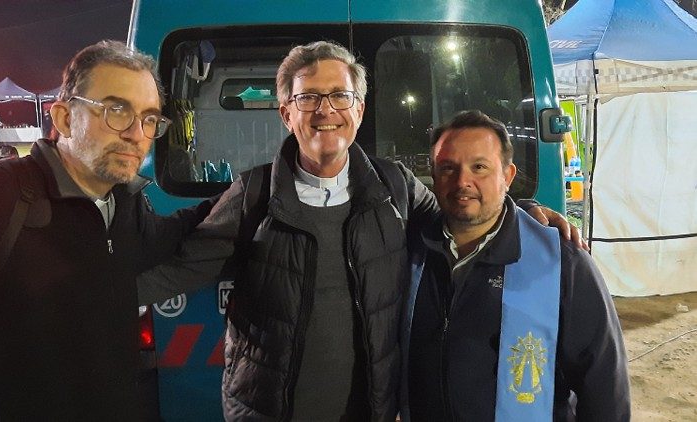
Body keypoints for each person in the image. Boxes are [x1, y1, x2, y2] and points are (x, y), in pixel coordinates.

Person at [137, 41, 579, 421]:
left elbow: (462, 216)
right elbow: (179, 268)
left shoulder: (395, 189)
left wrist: (523, 209)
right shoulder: (252, 196)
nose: (325, 110)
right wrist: (88, 295)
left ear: (359, 110)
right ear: (286, 113)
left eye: (339, 96)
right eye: (308, 97)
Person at [0, 40, 209, 420]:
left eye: (149, 118)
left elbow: (178, 232)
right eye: (116, 111)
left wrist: (254, 193)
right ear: (65, 118)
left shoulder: (126, 205)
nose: (137, 134)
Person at [402, 110, 630, 421]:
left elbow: (603, 383)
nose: (462, 181)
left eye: (479, 167)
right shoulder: (409, 251)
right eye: (448, 168)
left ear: (507, 177)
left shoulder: (562, 263)